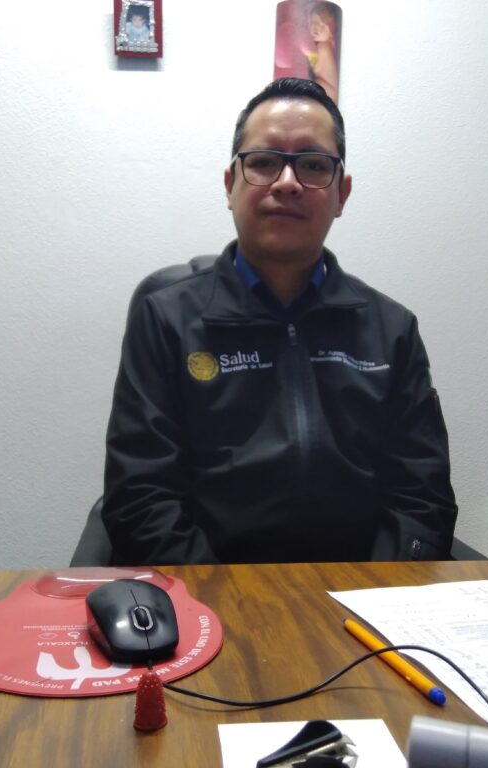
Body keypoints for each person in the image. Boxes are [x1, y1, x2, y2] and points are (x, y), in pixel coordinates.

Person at [102, 77, 457, 565]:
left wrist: (378, 589)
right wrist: (231, 598)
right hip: (211, 594)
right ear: (230, 185)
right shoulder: (166, 318)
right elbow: (141, 498)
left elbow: (423, 498)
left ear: (342, 194)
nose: (287, 182)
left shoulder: (392, 328)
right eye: (264, 162)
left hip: (364, 593)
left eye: (313, 165)